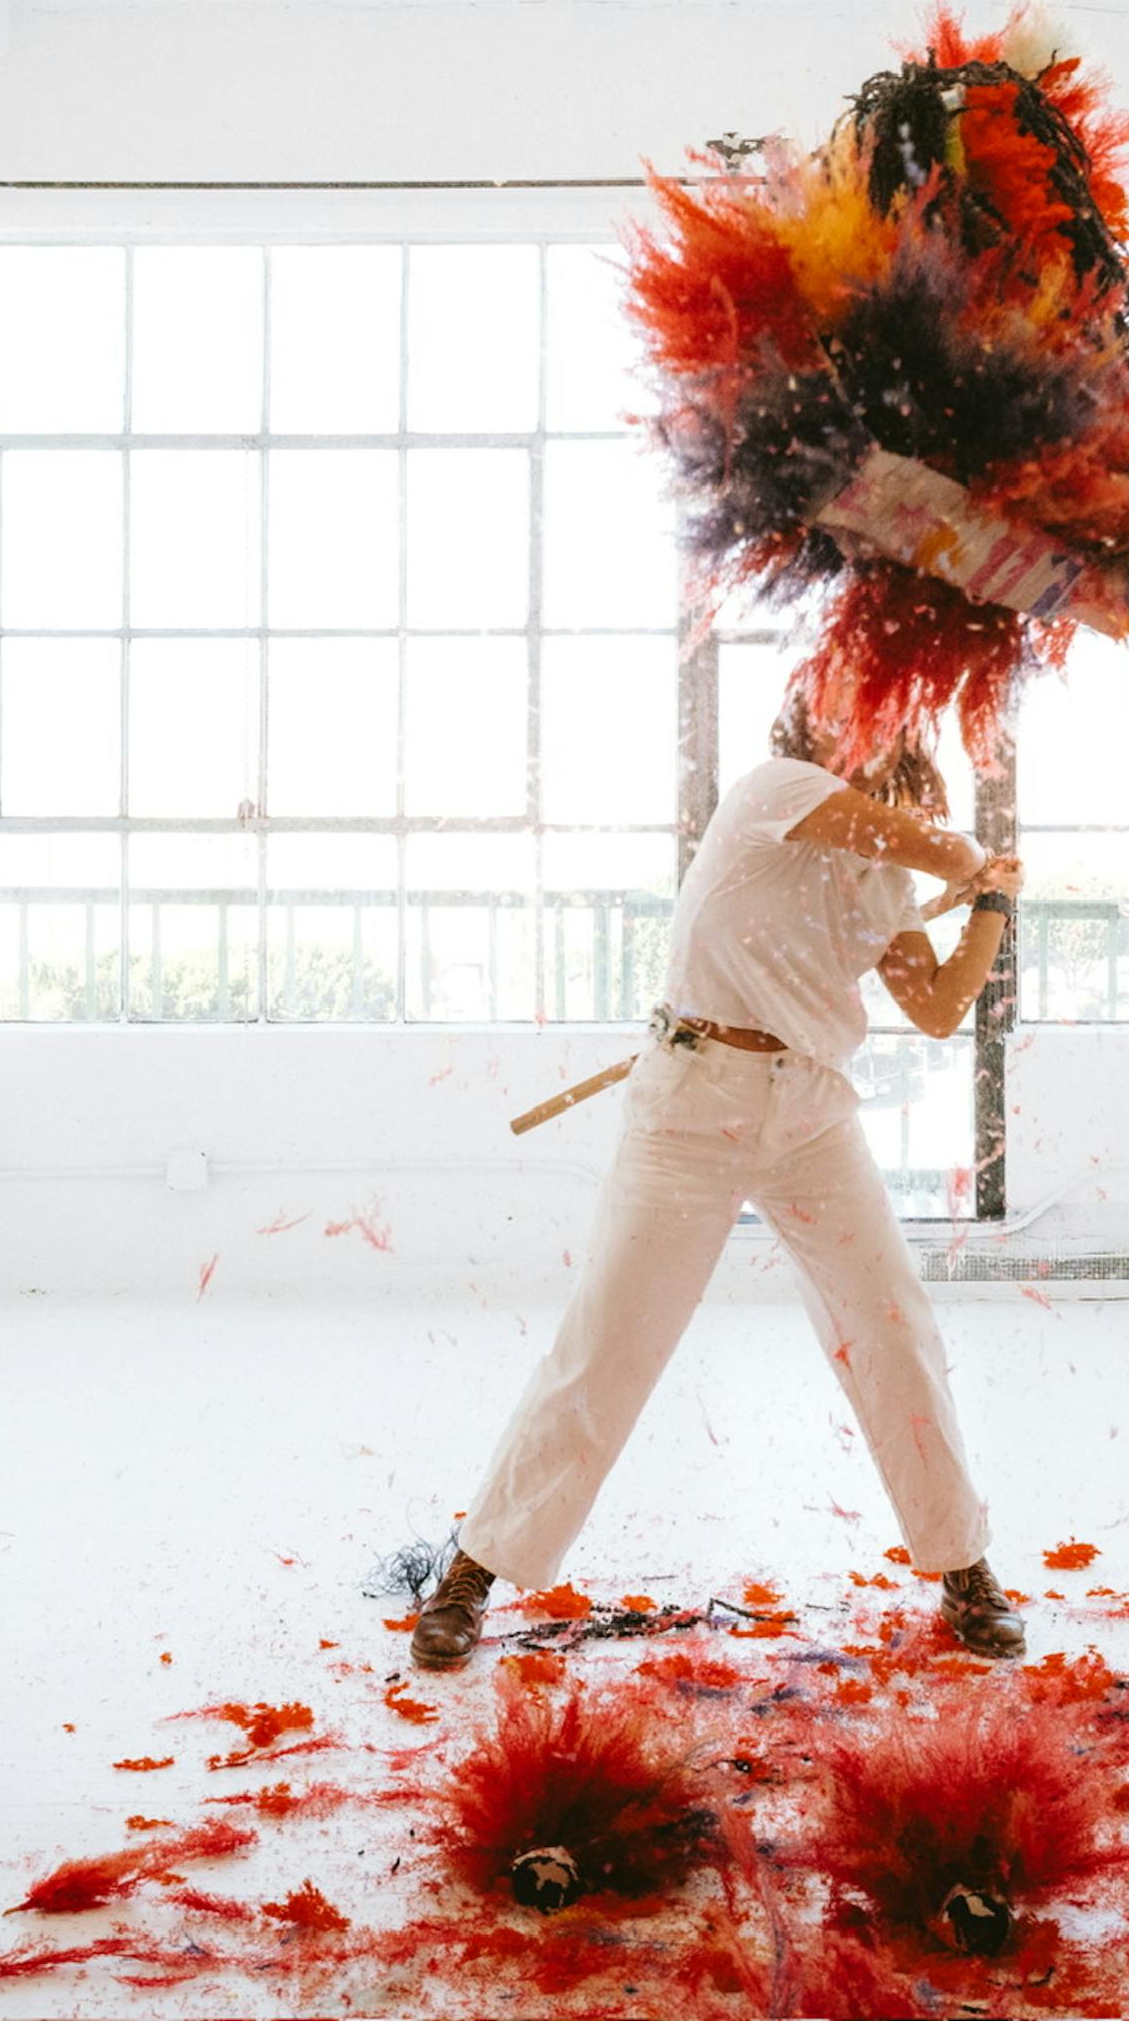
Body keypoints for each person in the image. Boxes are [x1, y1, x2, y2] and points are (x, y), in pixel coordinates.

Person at [409, 699, 1029, 1667]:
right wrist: (975, 866)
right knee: (609, 1343)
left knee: (894, 1329)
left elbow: (945, 1006)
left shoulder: (880, 881)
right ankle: (471, 1570)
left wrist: (993, 906)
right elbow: (936, 848)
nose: (868, 756)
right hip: (692, 1105)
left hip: (812, 1111)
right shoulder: (775, 792)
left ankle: (964, 1564)